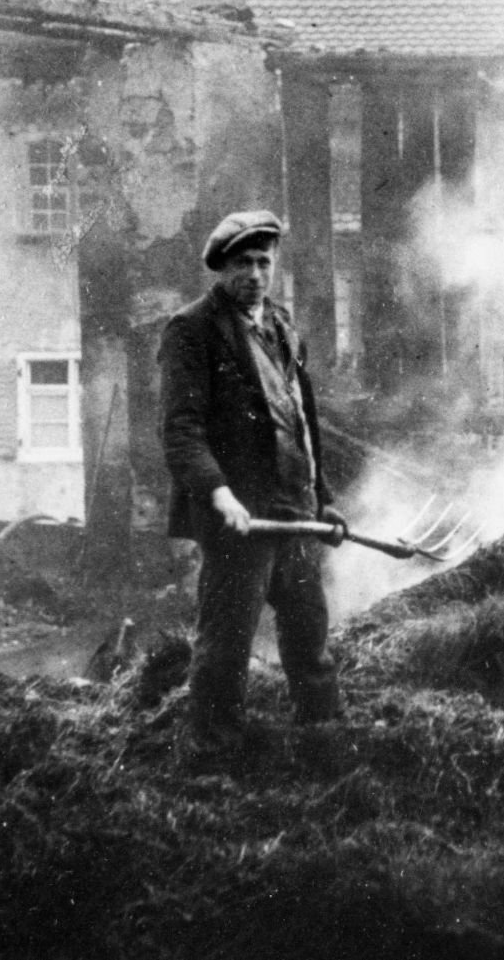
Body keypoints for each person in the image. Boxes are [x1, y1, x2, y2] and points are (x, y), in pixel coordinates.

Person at [159, 209, 348, 763]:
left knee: (309, 634)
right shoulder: (192, 329)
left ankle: (324, 740)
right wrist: (219, 495)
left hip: (295, 510)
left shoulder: (281, 326)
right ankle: (213, 757)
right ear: (221, 268)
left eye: (264, 262)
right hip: (240, 517)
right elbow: (180, 429)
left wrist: (324, 499)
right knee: (227, 644)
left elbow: (301, 421)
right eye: (243, 263)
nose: (256, 275)